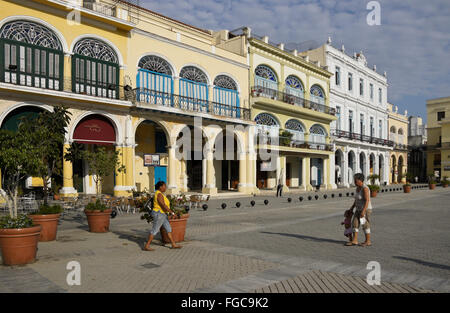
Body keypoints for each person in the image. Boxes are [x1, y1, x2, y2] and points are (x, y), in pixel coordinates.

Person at [144, 181, 182, 251]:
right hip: (159, 214)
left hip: (163, 214)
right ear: (160, 187)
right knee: (155, 230)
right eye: (164, 186)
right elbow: (162, 205)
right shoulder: (159, 194)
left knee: (168, 229)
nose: (165, 187)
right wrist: (172, 213)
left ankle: (173, 244)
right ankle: (147, 245)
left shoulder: (160, 194)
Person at [345, 173, 373, 247]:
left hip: (365, 209)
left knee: (365, 224)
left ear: (361, 180)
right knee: (355, 223)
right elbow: (356, 199)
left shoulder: (365, 188)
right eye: (354, 180)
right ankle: (355, 240)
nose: (355, 182)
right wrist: (352, 208)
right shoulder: (357, 188)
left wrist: (363, 211)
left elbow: (367, 200)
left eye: (356, 180)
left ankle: (368, 241)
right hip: (358, 209)